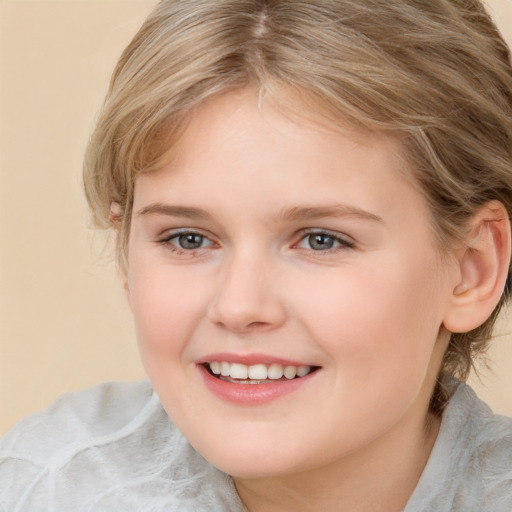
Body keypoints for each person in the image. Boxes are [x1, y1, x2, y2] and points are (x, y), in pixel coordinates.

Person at [2, 0, 512, 510]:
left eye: (321, 240)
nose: (240, 307)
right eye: (188, 238)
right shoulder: (47, 490)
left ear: (472, 268)